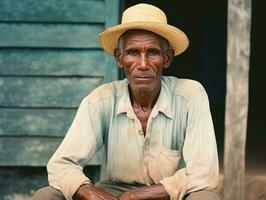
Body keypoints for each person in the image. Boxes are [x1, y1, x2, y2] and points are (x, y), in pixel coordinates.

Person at [33, 3, 220, 200]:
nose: (143, 64)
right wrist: (89, 191)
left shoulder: (190, 95)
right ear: (119, 58)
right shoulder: (101, 100)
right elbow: (61, 165)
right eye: (133, 52)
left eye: (153, 53)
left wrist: (140, 195)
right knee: (46, 196)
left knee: (205, 197)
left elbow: (204, 172)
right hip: (115, 193)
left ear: (167, 58)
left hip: (169, 194)